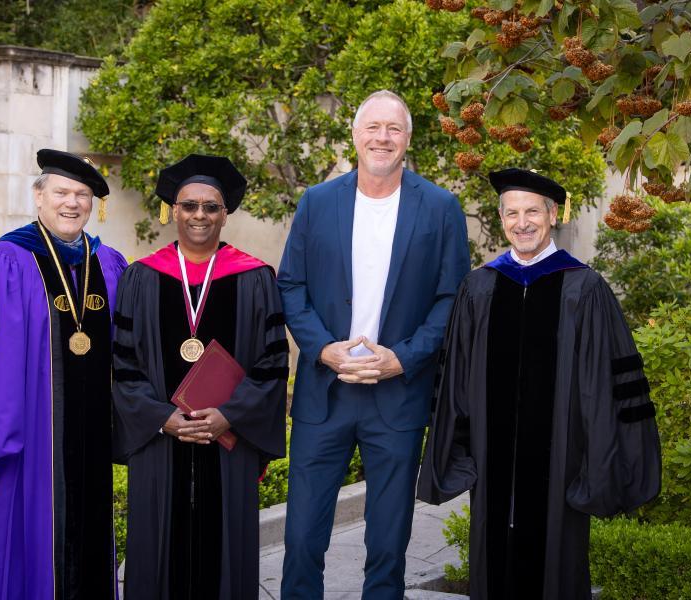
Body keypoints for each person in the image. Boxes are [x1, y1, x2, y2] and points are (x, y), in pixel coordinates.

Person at [417, 168, 662, 599]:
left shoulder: (583, 288)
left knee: (556, 569)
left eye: (532, 211)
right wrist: (456, 450)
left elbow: (610, 386)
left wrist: (598, 460)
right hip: (493, 466)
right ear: (502, 219)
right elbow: (455, 378)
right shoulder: (479, 287)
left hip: (560, 470)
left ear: (553, 216)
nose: (522, 222)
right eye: (512, 213)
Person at [277, 90, 470, 599]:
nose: (382, 138)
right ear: (356, 135)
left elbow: (453, 296)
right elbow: (291, 284)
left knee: (388, 542)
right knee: (300, 538)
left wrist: (401, 358)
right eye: (373, 127)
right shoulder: (317, 202)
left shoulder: (440, 207)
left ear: (408, 138)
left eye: (394, 129)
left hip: (396, 395)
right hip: (326, 392)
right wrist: (323, 348)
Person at [0, 149, 128, 599]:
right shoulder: (3, 261)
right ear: (38, 197)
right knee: (11, 556)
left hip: (90, 445)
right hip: (20, 449)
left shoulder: (110, 265)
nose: (72, 203)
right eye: (61, 192)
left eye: (81, 194)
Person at [111, 154, 288, 600]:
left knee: (224, 551)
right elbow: (123, 363)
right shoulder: (141, 278)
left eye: (211, 207)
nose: (199, 216)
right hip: (160, 442)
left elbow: (273, 363)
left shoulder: (256, 278)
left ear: (225, 214)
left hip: (226, 443)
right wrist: (159, 416)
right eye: (189, 205)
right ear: (174, 210)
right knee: (157, 549)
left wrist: (229, 415)